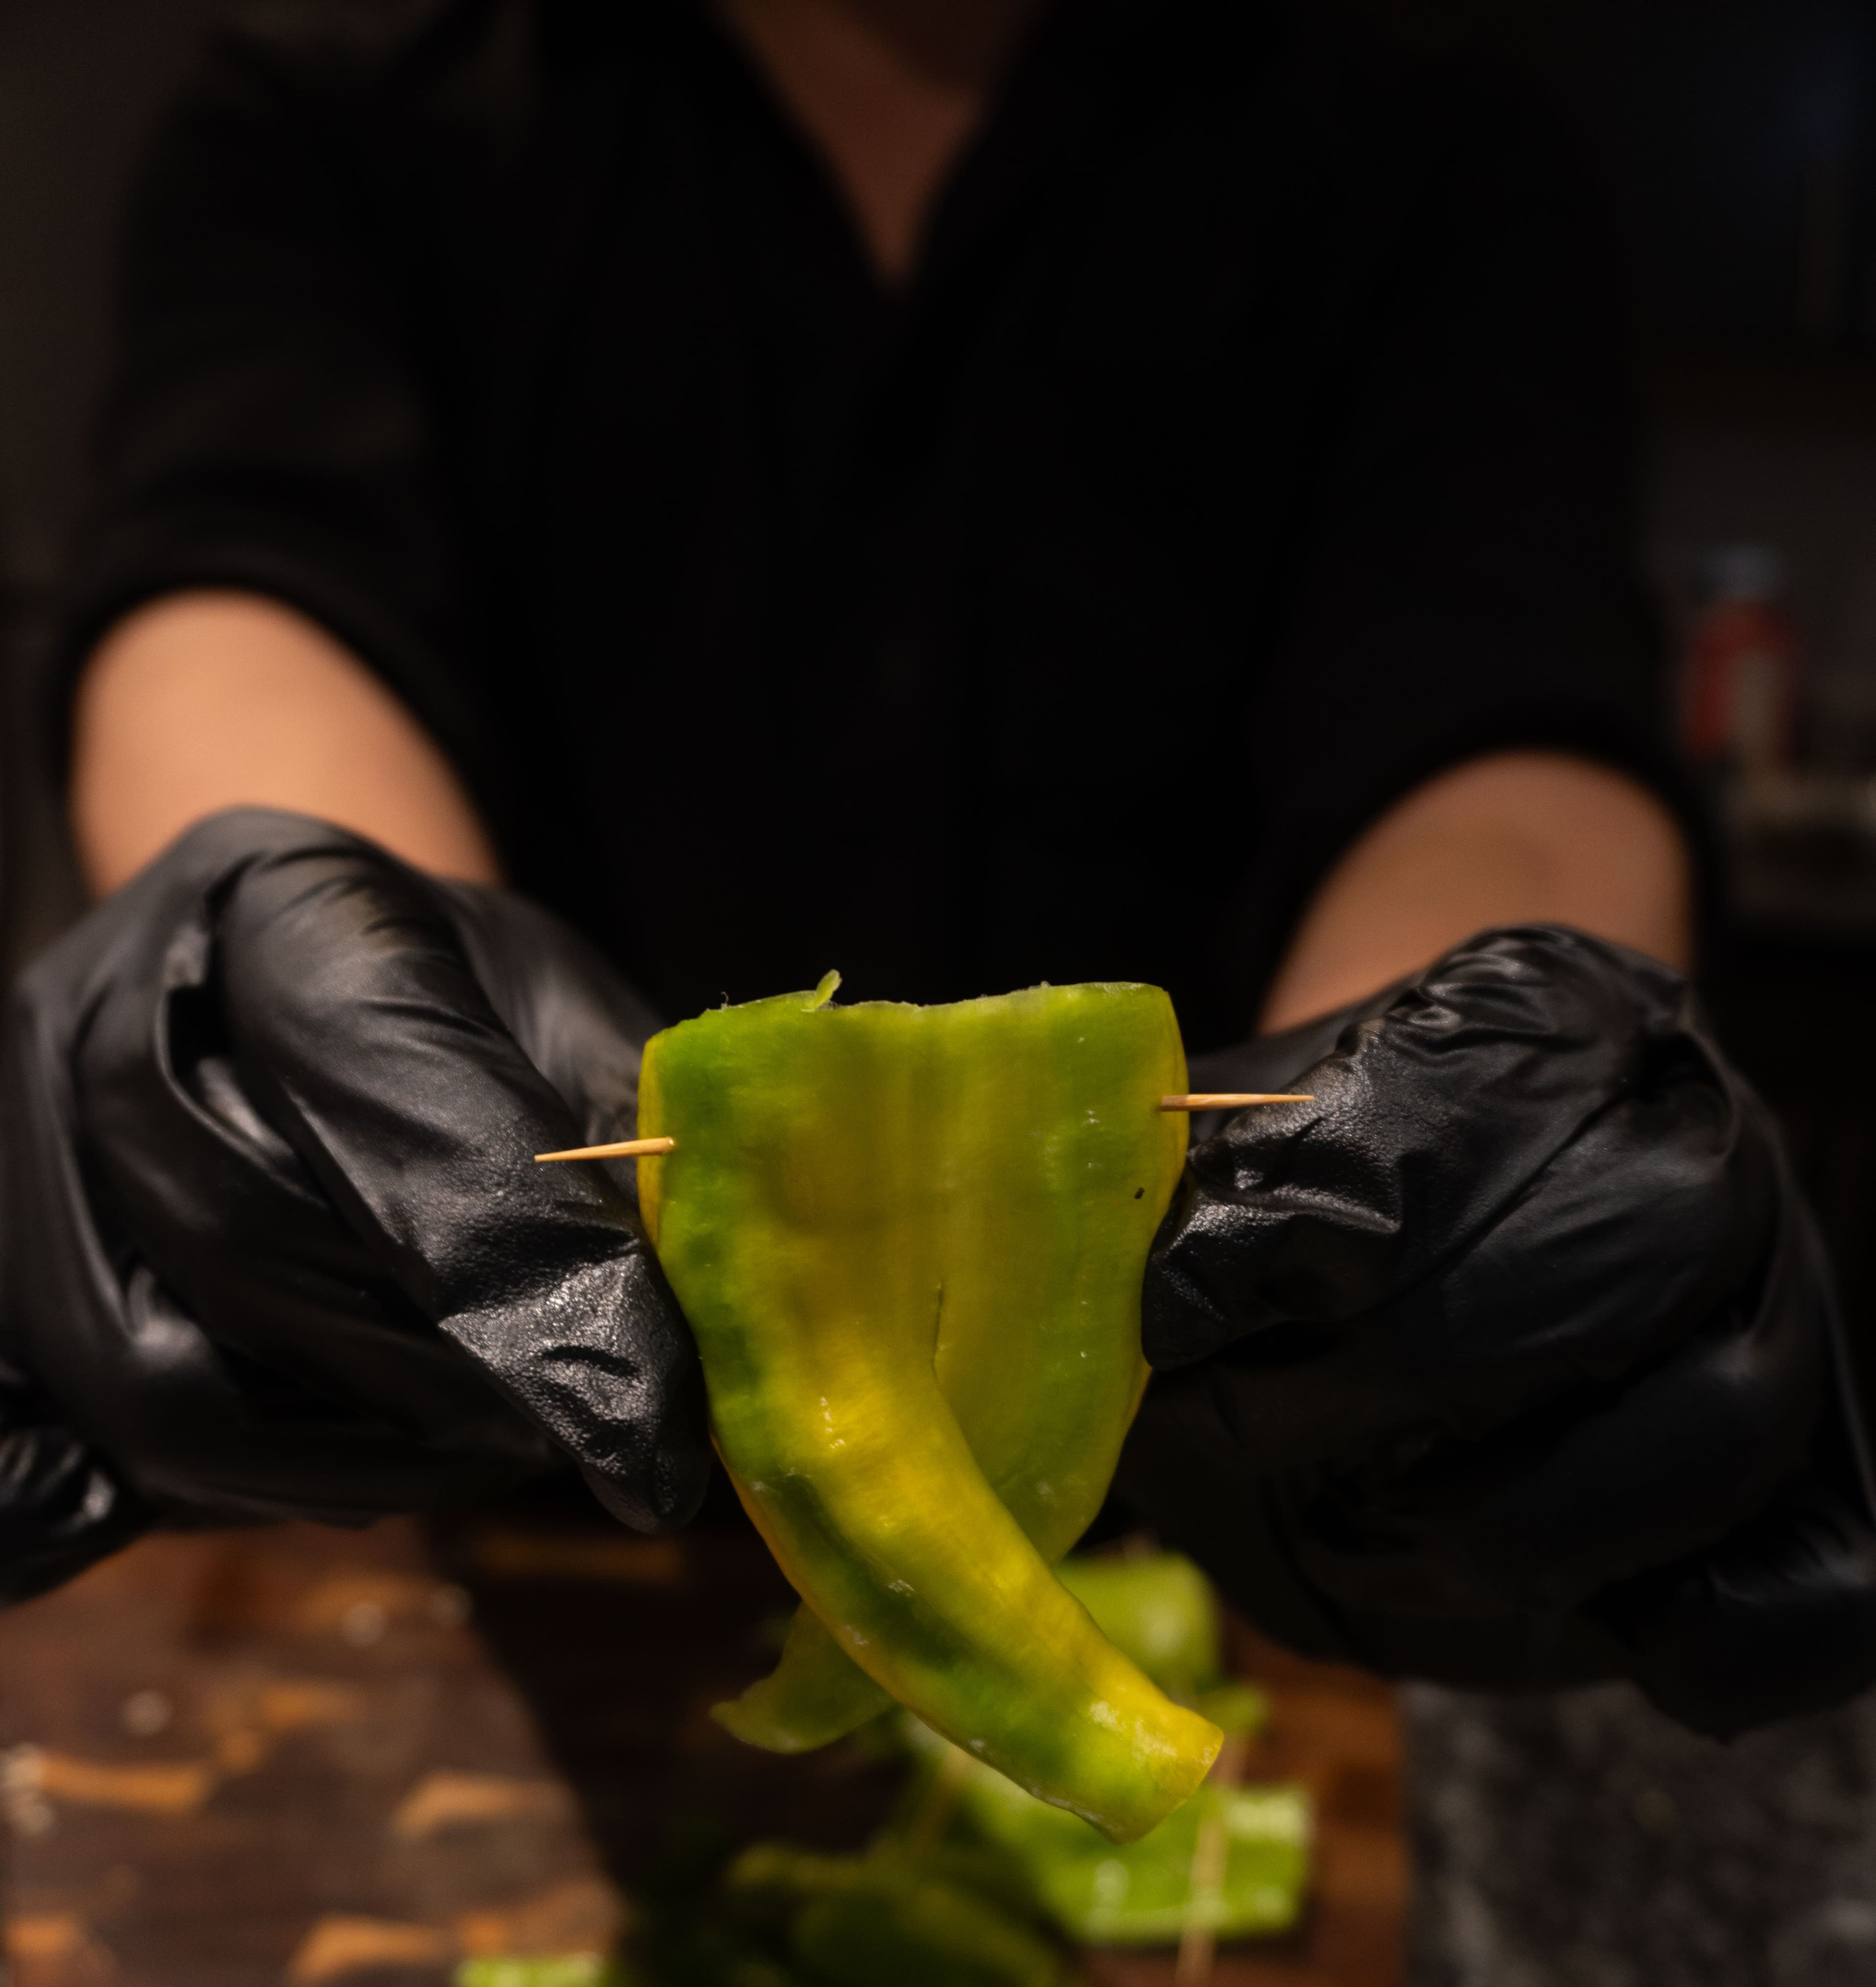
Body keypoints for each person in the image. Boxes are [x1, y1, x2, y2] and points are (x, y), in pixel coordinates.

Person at [0, 0, 1869, 1739]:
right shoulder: (347, 108)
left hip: (1223, 1526)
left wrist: (1459, 1150)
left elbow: (1499, 706)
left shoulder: (1424, 145)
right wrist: (313, 974)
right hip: (484, 1521)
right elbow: (248, 581)